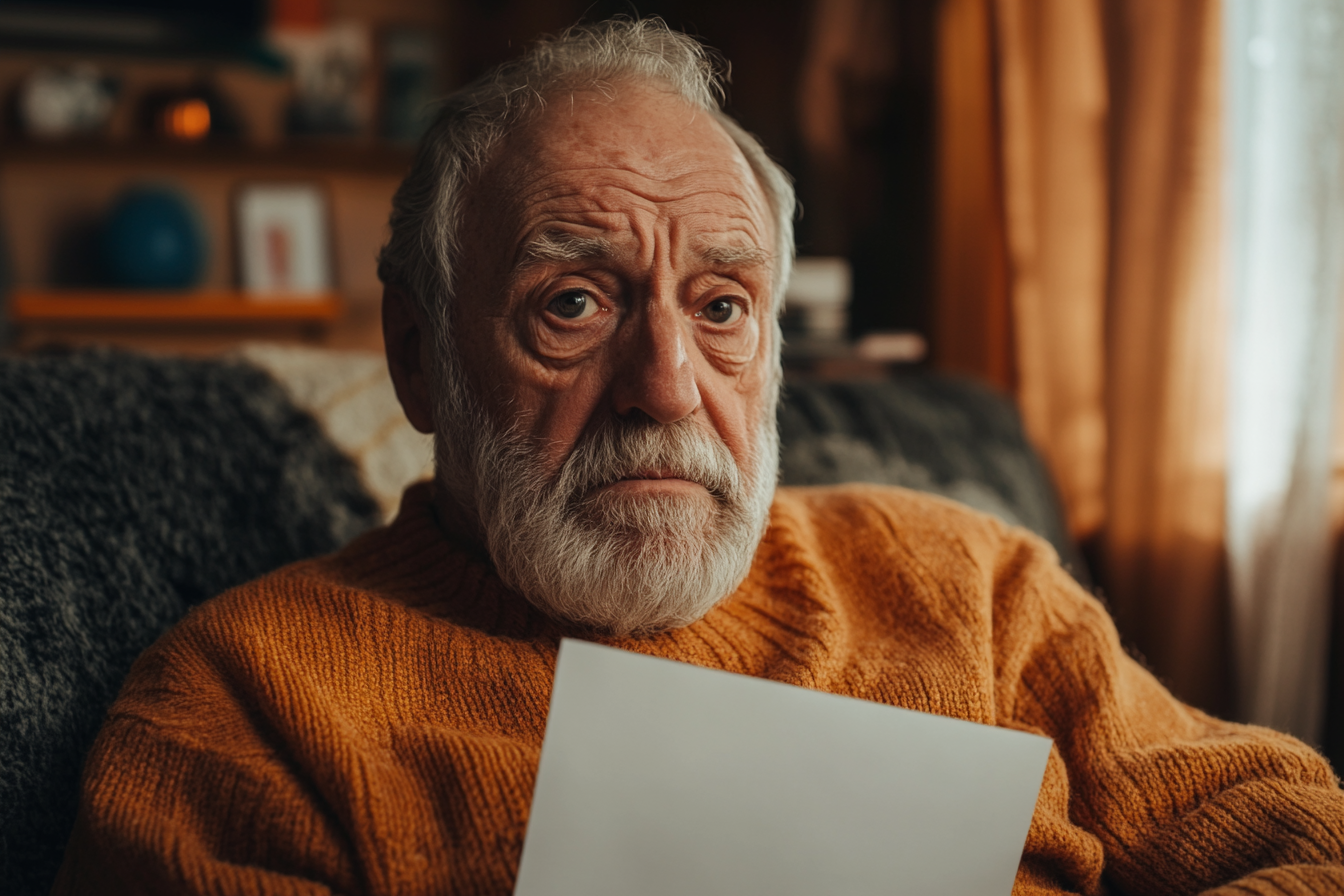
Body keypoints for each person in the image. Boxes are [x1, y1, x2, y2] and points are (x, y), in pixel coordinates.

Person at [54, 18, 1344, 896]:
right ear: (418, 355)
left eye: (721, 307)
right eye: (573, 302)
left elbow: (1302, 840)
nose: (666, 388)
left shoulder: (976, 586)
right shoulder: (246, 712)